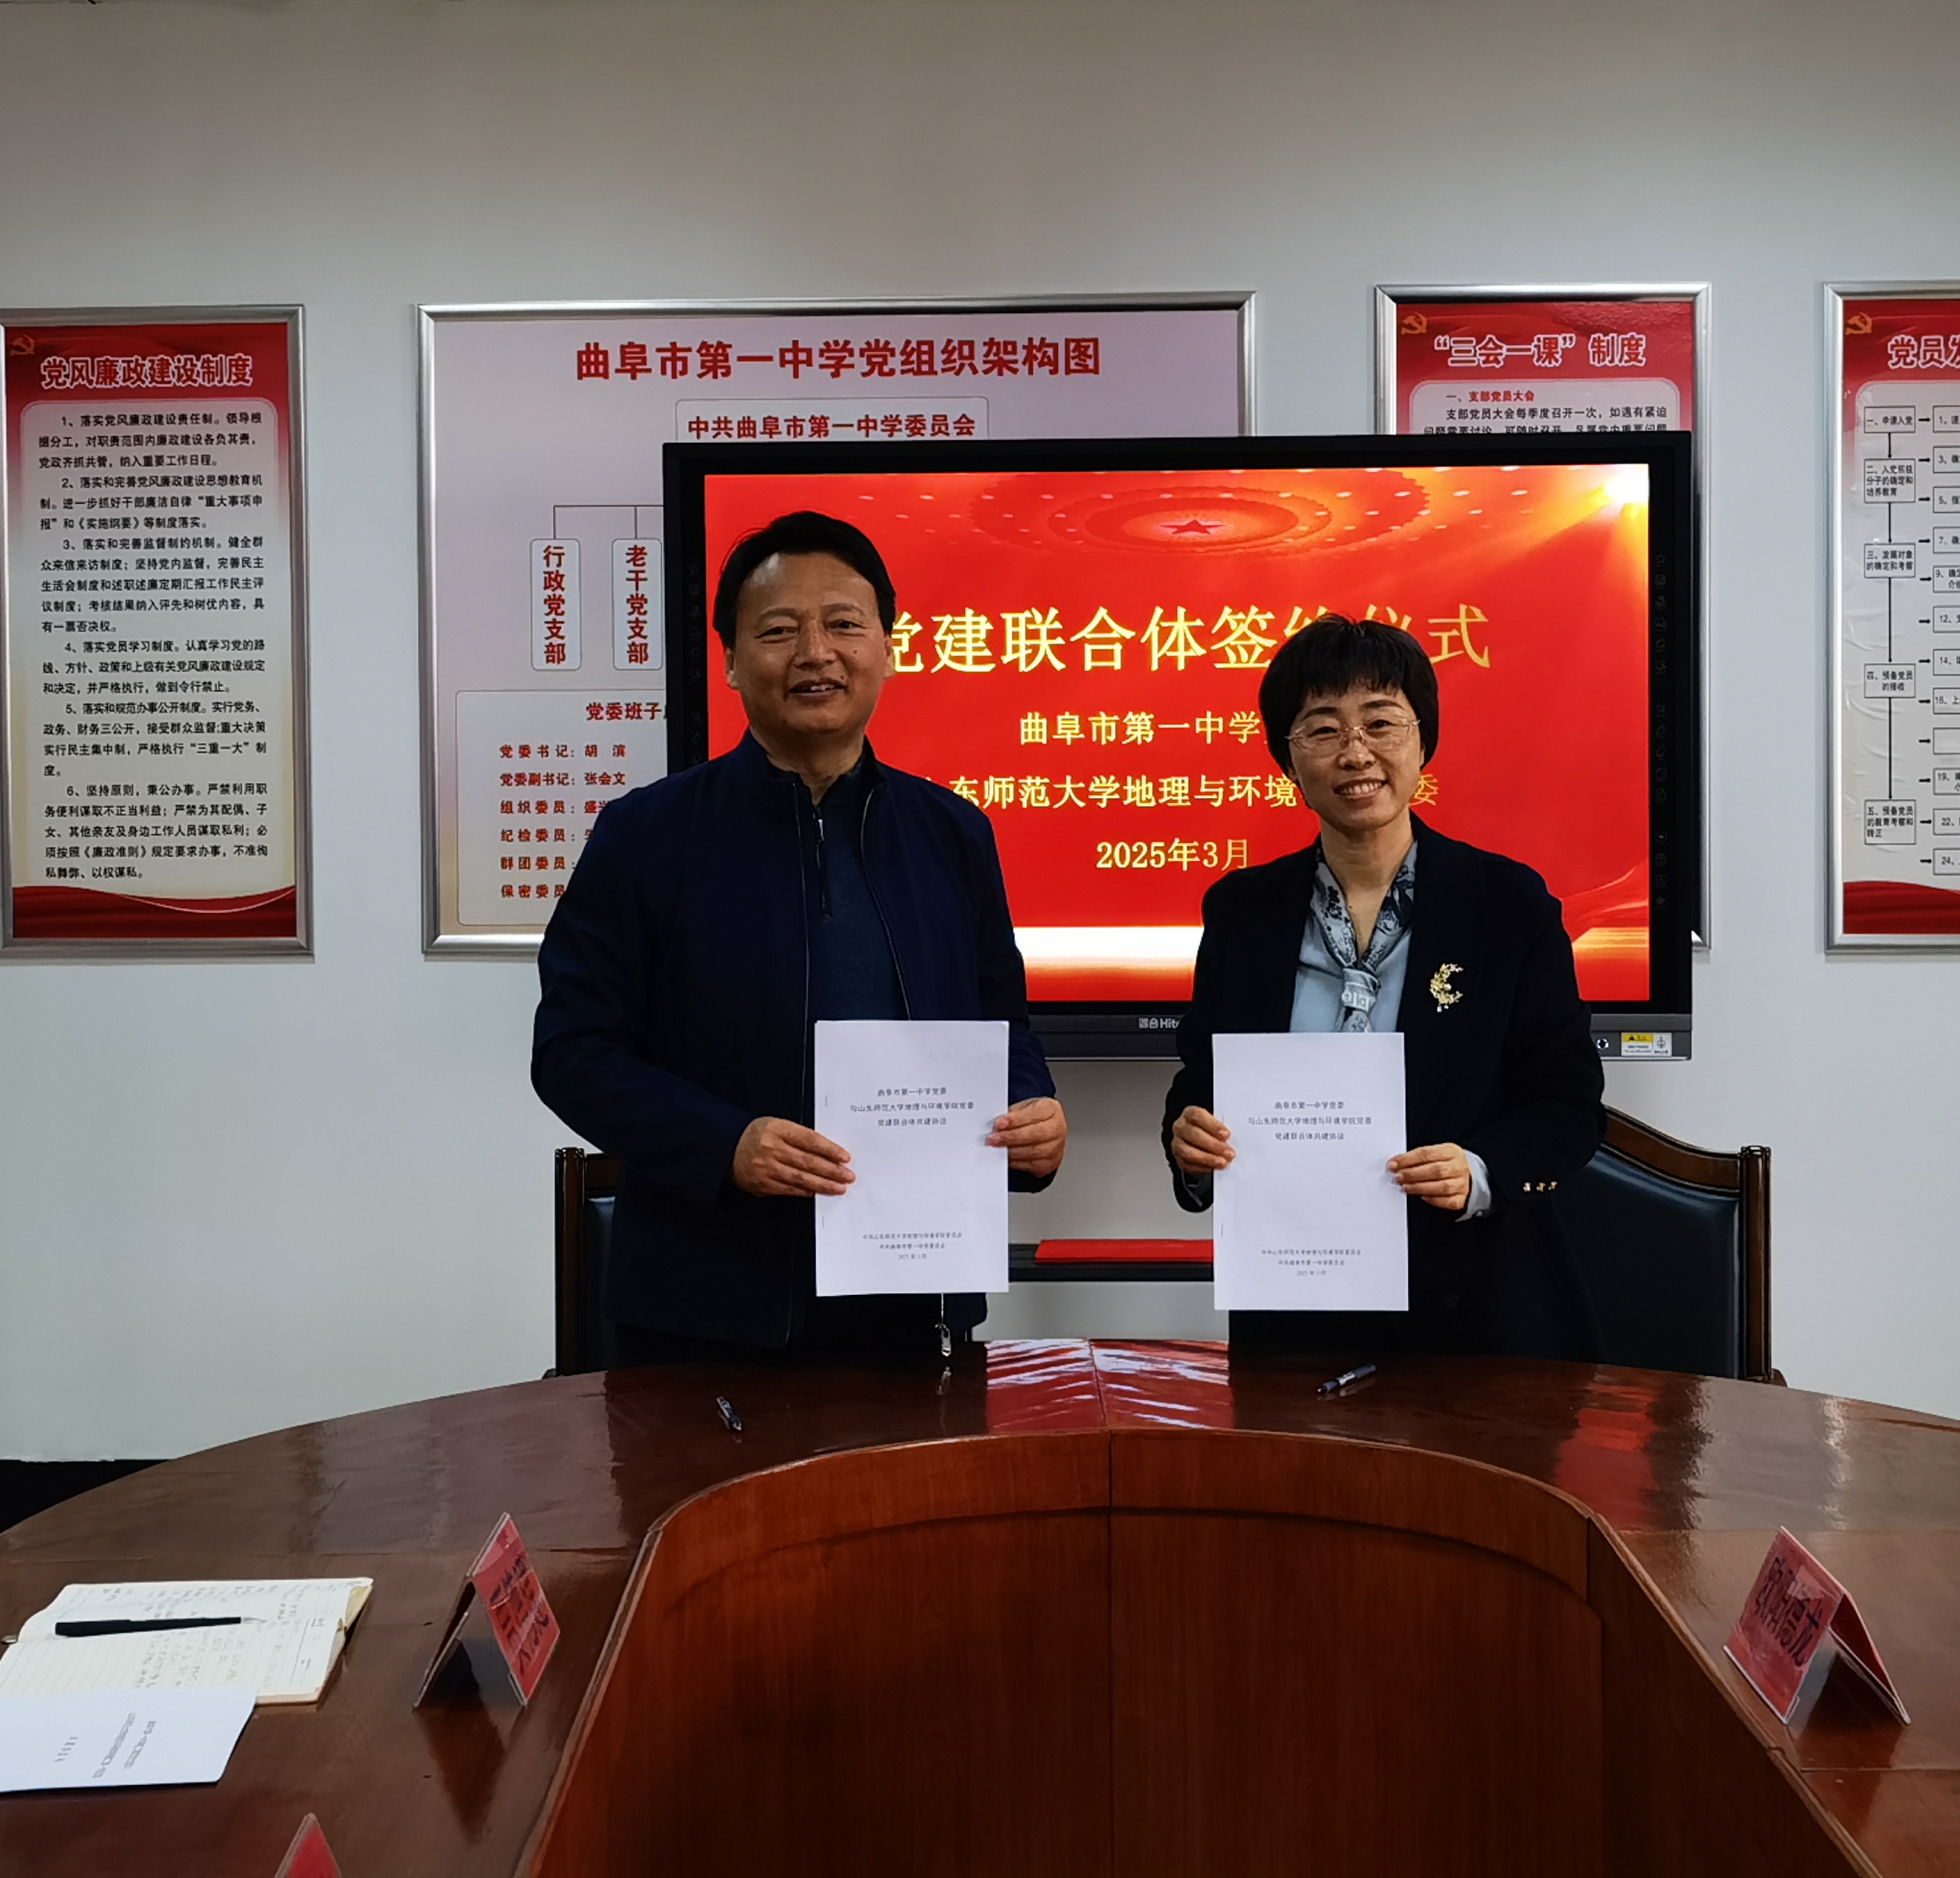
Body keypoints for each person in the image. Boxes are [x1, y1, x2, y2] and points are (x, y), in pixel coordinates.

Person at [534, 510, 1066, 1366]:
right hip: (702, 1314)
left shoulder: (952, 832)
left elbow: (1003, 1026)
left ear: (887, 647)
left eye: (844, 625)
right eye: (779, 631)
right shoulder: (645, 835)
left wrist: (1031, 1109)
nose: (816, 653)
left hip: (912, 1303)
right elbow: (573, 1051)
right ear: (731, 661)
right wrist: (724, 1144)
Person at [1162, 614, 1604, 1359]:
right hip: (1292, 1307)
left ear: (1422, 740)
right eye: (1322, 729)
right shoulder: (1243, 911)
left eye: (1380, 722)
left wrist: (1478, 1169)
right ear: (1287, 758)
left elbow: (1568, 1103)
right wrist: (1189, 1141)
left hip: (1474, 1308)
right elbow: (1201, 1081)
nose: (1355, 752)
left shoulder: (1506, 903)